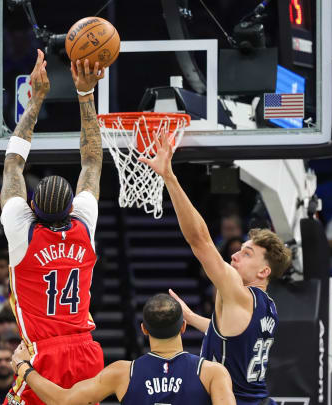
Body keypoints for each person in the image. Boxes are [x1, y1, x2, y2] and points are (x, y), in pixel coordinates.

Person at [139, 132, 291, 404]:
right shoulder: (268, 306)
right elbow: (232, 335)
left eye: (247, 253)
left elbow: (199, 241)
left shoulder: (237, 292)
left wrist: (169, 177)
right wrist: (192, 316)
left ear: (263, 271)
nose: (234, 256)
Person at [0, 51, 105, 405]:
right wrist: (85, 94)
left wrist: (36, 98)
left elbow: (13, 164)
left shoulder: (21, 230)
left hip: (44, 354)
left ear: (32, 207)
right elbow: (91, 159)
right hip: (88, 351)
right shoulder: (83, 223)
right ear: (71, 207)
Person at [11, 293, 235, 405]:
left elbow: (63, 400)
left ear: (144, 330)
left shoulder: (122, 373)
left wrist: (23, 368)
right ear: (184, 327)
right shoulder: (212, 372)